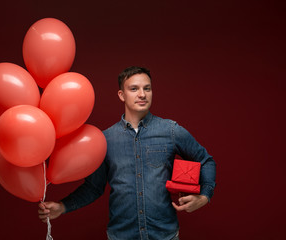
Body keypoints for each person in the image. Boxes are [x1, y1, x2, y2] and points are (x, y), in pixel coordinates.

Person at [38, 66, 216, 240]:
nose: (142, 94)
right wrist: (62, 207)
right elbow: (94, 187)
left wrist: (205, 196)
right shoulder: (105, 140)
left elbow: (206, 160)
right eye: (134, 89)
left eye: (147, 88)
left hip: (165, 235)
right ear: (121, 95)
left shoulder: (171, 131)